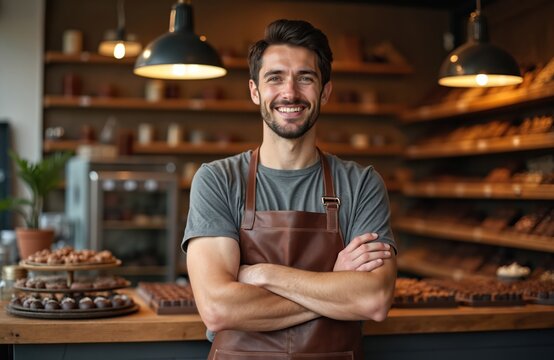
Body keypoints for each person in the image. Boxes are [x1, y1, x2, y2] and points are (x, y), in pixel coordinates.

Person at [183, 19, 397, 360]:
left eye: (306, 78)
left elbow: (373, 299)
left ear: (325, 91)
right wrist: (333, 284)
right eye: (275, 77)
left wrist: (261, 274)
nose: (290, 93)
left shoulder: (361, 183)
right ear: (255, 91)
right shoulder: (217, 180)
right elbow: (218, 308)